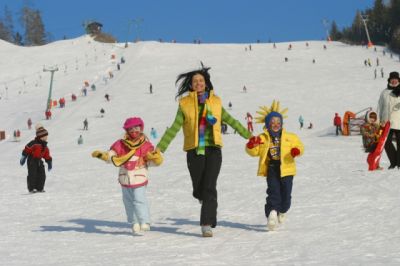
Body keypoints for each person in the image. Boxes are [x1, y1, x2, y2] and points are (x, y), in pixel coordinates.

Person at [155, 64, 252, 237]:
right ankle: (204, 201)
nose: (198, 83)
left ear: (206, 83)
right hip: (194, 150)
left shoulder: (216, 102)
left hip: (214, 149)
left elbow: (231, 120)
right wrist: (161, 147)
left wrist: (249, 136)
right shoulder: (184, 104)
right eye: (195, 81)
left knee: (209, 186)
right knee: (198, 186)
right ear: (191, 85)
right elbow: (175, 127)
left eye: (201, 80)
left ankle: (206, 223)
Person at [91, 117, 162, 234]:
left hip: (139, 176)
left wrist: (156, 159)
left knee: (139, 199)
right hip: (125, 178)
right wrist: (102, 156)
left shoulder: (145, 145)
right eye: (131, 129)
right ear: (127, 131)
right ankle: (134, 222)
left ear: (141, 128)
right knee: (128, 201)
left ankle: (144, 221)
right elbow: (112, 156)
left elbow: (150, 160)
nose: (134, 131)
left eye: (137, 128)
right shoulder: (120, 144)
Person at [245, 101, 304, 231]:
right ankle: (272, 214)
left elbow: (299, 146)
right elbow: (255, 152)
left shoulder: (290, 137)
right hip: (272, 167)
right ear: (267, 125)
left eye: (278, 122)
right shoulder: (263, 138)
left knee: (286, 196)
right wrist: (251, 146)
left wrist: (296, 151)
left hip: (287, 168)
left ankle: (282, 211)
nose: (276, 125)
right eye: (272, 123)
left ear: (282, 123)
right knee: (273, 192)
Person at [377, 71, 400, 169]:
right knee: (386, 142)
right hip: (386, 122)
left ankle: (398, 164)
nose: (394, 81)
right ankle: (394, 162)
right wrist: (378, 120)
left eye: (396, 79)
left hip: (399, 121)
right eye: (392, 79)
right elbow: (380, 106)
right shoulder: (384, 92)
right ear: (389, 80)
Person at [20, 124, 52, 193]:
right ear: (41, 137)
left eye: (46, 136)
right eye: (45, 136)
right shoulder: (34, 143)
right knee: (32, 174)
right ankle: (32, 188)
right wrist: (24, 157)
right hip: (32, 160)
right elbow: (27, 149)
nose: (46, 137)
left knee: (42, 174)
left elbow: (47, 155)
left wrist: (49, 162)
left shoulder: (45, 146)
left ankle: (40, 188)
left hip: (39, 161)